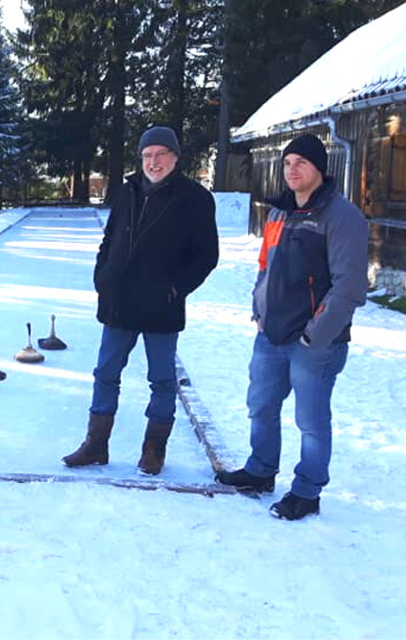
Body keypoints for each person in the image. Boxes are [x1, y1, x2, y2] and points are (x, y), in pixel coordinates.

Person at [217, 133, 368, 520]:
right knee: (261, 406)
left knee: (311, 420)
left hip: (315, 341)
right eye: (287, 163)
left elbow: (349, 287)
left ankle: (306, 491)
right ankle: (260, 470)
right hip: (271, 333)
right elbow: (266, 264)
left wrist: (314, 335)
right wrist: (259, 306)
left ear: (320, 168)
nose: (292, 170)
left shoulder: (341, 216)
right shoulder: (279, 213)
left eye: (301, 162)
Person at [62, 125, 219, 475]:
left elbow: (206, 256)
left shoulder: (194, 198)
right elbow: (110, 238)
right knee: (105, 373)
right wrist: (102, 274)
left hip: (161, 306)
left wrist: (174, 288)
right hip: (118, 301)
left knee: (162, 380)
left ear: (175, 158)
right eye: (147, 155)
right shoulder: (126, 191)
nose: (153, 161)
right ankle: (95, 445)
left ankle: (153, 449)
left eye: (161, 154)